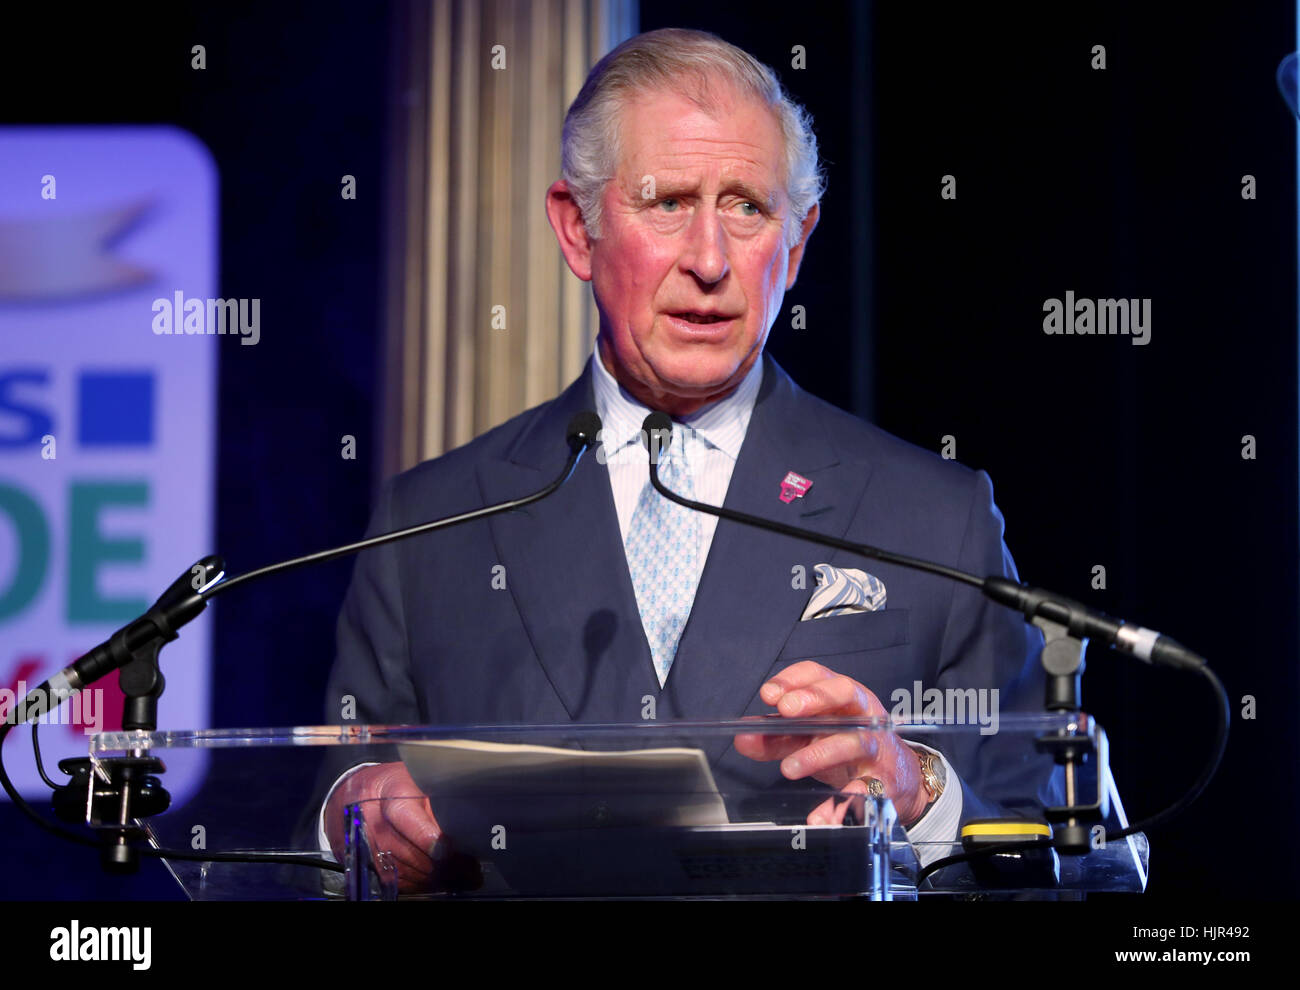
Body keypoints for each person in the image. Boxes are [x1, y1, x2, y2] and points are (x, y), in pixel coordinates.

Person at [318, 28, 1061, 891]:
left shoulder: (938, 518)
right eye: (667, 201)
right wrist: (355, 818)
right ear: (577, 229)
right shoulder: (431, 523)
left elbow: (1049, 842)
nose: (709, 261)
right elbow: (323, 809)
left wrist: (915, 787)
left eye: (747, 206)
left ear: (799, 239)